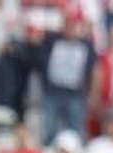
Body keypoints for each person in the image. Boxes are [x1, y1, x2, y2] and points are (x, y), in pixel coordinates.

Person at [39, 12, 97, 144]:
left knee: (75, 133)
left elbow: (94, 70)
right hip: (52, 93)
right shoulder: (52, 39)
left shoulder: (86, 44)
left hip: (75, 95)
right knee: (49, 131)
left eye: (74, 25)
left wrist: (92, 93)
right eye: (68, 25)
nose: (70, 29)